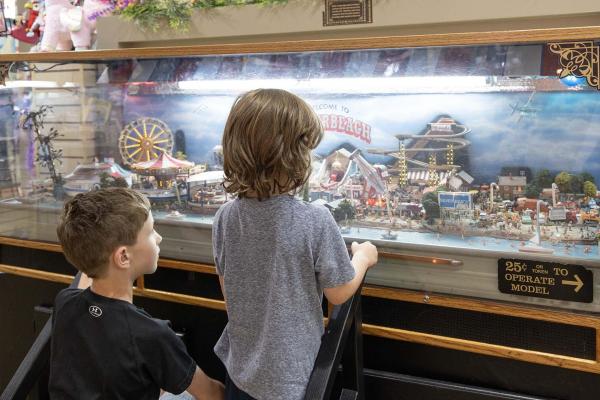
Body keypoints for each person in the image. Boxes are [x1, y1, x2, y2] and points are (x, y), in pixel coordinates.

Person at [212, 89, 378, 400]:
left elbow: (228, 291)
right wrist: (363, 257)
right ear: (296, 157)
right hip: (291, 381)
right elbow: (339, 291)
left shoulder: (225, 216)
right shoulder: (315, 220)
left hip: (240, 372)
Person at [50, 187, 224, 400]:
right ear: (123, 256)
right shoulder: (152, 335)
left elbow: (86, 271)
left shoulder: (65, 302)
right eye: (151, 231)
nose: (158, 238)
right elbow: (212, 394)